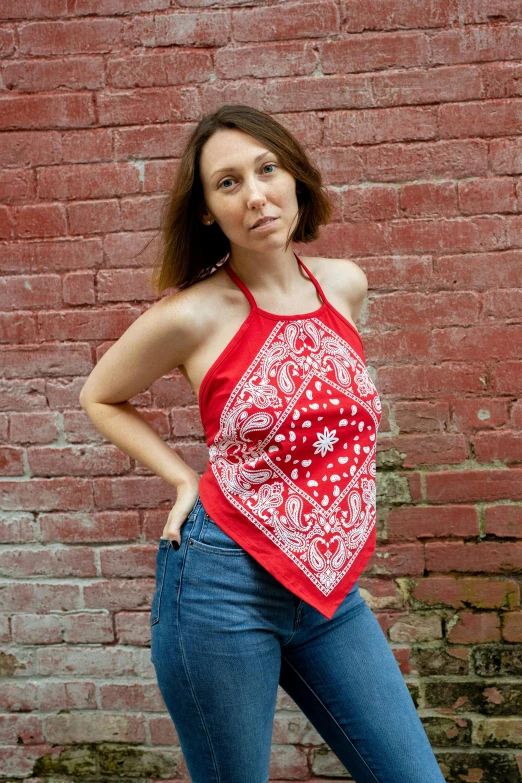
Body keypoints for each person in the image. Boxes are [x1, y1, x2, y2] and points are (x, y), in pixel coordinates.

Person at [80, 105, 446, 783]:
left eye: (266, 169)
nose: (254, 194)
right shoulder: (193, 313)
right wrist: (184, 478)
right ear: (207, 212)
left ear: (294, 177)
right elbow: (99, 395)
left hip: (329, 594)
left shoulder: (343, 285)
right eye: (227, 183)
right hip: (221, 589)